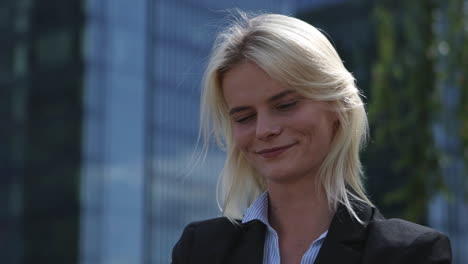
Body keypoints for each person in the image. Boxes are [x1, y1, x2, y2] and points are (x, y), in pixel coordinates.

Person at [172, 13, 451, 264]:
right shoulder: (200, 250)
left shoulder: (409, 253)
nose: (264, 130)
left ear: (337, 107)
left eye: (286, 105)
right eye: (244, 117)